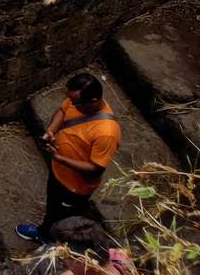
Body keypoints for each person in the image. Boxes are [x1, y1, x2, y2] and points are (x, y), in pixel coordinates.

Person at [17, 72, 122, 243]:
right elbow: (62, 111)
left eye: (76, 102)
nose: (72, 104)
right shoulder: (78, 102)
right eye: (71, 99)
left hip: (75, 185)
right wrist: (51, 131)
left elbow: (96, 168)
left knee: (61, 215)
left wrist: (62, 159)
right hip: (59, 172)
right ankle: (48, 231)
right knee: (53, 206)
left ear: (94, 101)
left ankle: (48, 239)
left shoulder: (107, 133)